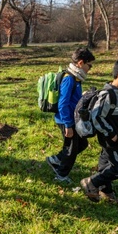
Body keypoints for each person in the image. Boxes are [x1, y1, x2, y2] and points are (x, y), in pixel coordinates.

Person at [79, 58, 118, 203]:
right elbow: (97, 117)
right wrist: (111, 134)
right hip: (111, 139)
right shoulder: (108, 95)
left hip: (116, 137)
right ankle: (91, 183)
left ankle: (106, 191)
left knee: (105, 165)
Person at [46, 47, 96, 183]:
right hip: (66, 120)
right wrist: (68, 125)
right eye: (89, 65)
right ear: (80, 63)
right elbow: (63, 104)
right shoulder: (69, 79)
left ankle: (55, 160)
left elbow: (71, 99)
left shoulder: (76, 78)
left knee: (82, 144)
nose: (90, 68)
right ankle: (61, 176)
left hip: (72, 119)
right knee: (71, 149)